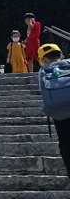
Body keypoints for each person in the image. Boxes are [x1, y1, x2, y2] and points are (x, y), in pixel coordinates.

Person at [37, 43, 70, 180]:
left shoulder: (43, 71)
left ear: (42, 59)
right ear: (61, 55)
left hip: (59, 114)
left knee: (66, 145)